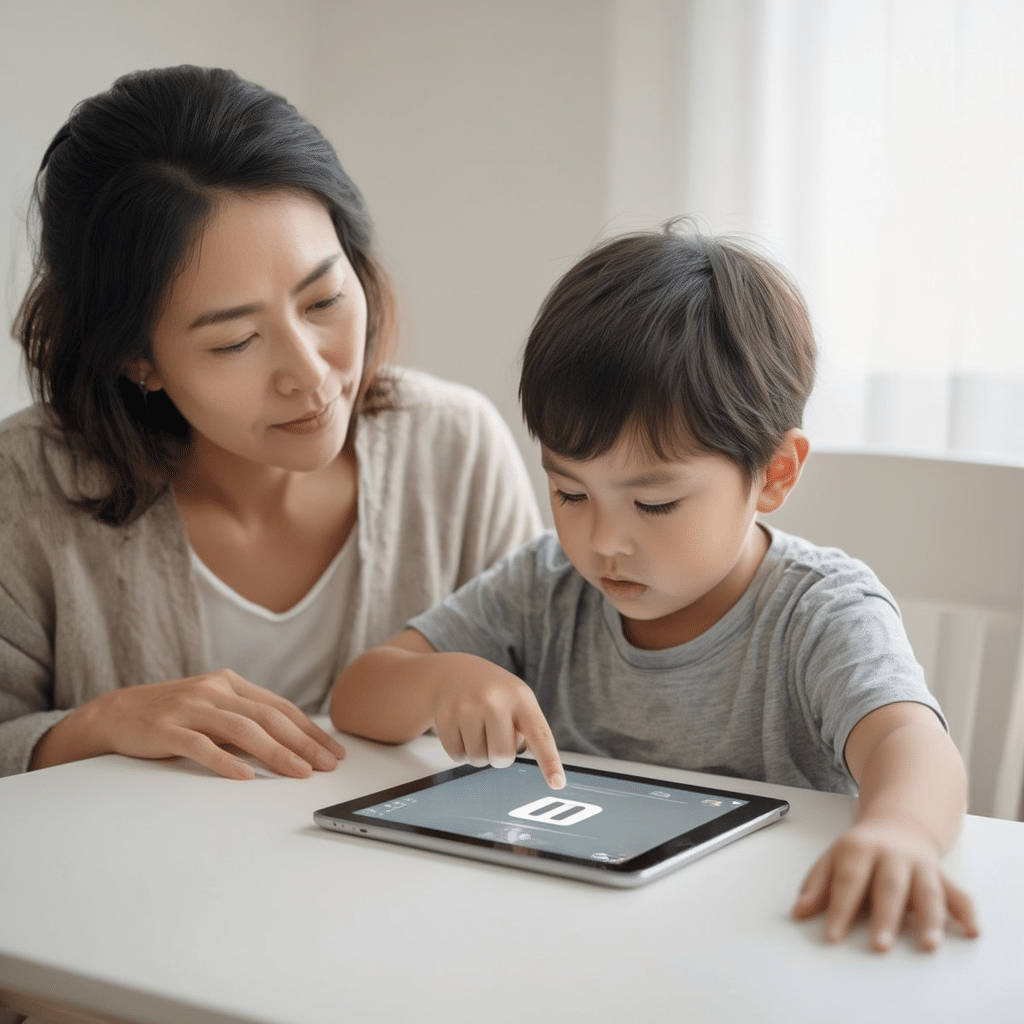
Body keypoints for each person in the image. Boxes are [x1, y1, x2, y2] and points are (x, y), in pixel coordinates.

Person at [330, 224, 979, 953]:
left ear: (774, 475)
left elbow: (909, 740)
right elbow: (358, 695)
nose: (604, 542)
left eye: (655, 504)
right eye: (570, 492)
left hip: (760, 940)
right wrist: (441, 681)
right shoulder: (543, 587)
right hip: (574, 940)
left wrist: (901, 829)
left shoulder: (819, 612)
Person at [0, 65, 541, 781]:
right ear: (138, 359)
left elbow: (558, 704)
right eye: (235, 342)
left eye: (324, 301)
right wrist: (98, 724)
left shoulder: (454, 449)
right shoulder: (25, 485)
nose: (311, 375)